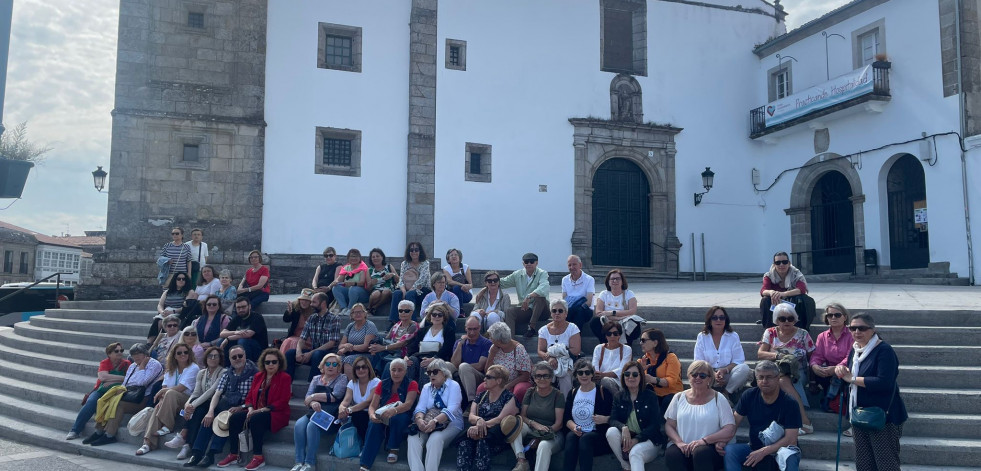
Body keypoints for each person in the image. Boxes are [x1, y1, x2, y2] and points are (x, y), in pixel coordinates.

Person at [835, 313, 908, 471]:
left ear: (872, 330)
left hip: (883, 417)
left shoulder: (884, 350)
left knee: (886, 464)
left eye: (861, 328)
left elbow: (884, 383)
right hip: (860, 415)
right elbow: (849, 378)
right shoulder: (855, 350)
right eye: (852, 328)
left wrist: (852, 379)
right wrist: (842, 371)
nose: (856, 332)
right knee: (864, 464)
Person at [181, 345, 258, 468]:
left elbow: (255, 397)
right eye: (234, 357)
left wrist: (241, 406)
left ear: (245, 356)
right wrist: (210, 411)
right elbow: (217, 394)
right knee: (207, 418)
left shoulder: (254, 373)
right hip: (226, 406)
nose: (237, 359)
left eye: (240, 356)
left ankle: (211, 454)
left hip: (244, 407)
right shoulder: (228, 373)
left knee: (224, 419)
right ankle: (197, 453)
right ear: (230, 359)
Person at [216, 348, 292, 471]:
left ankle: (258, 456)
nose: (271, 364)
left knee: (256, 419)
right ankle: (234, 454)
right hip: (255, 410)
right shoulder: (258, 376)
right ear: (263, 363)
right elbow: (250, 396)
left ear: (279, 363)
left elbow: (283, 401)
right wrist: (250, 408)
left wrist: (260, 410)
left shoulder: (285, 377)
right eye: (268, 362)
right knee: (235, 417)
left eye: (274, 362)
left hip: (275, 413)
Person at [723, 360, 801, 471]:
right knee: (730, 451)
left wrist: (764, 451)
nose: (764, 381)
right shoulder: (749, 395)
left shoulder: (790, 402)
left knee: (791, 460)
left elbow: (791, 439)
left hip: (783, 449)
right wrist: (722, 440)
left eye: (769, 377)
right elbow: (734, 423)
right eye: (761, 377)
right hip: (754, 447)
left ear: (778, 377)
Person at [663, 360, 737, 471]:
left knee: (700, 452)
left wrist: (704, 441)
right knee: (671, 454)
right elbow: (669, 425)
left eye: (702, 375)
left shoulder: (719, 398)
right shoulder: (679, 397)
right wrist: (679, 442)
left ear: (709, 379)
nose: (698, 378)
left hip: (709, 449)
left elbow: (729, 429)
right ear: (689, 376)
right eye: (694, 374)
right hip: (684, 447)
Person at [87, 343, 163, 447]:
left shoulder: (154, 364)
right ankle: (99, 431)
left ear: (145, 354)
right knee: (107, 401)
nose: (135, 356)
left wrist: (142, 367)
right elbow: (126, 382)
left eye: (138, 353)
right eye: (133, 354)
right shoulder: (132, 365)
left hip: (142, 399)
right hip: (129, 394)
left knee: (118, 406)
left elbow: (142, 382)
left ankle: (109, 435)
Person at [758, 303, 815, 434]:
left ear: (795, 319)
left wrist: (813, 381)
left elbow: (813, 358)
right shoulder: (770, 332)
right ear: (776, 320)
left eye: (790, 318)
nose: (787, 321)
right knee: (778, 380)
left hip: (799, 372)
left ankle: (804, 421)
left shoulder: (803, 334)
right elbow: (760, 354)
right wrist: (778, 355)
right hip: (777, 371)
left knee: (781, 381)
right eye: (782, 319)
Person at [137, 342, 200, 455]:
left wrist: (163, 392)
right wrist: (161, 399)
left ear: (189, 354)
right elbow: (164, 387)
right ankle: (147, 443)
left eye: (185, 352)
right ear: (174, 356)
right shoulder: (171, 369)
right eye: (179, 353)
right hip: (170, 400)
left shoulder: (193, 367)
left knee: (170, 393)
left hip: (186, 401)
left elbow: (181, 388)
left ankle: (169, 426)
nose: (183, 354)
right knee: (158, 406)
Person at [164, 346, 225, 460]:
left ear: (220, 358)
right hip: (202, 403)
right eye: (210, 356)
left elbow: (211, 392)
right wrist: (188, 403)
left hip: (215, 403)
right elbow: (196, 392)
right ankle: (187, 444)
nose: (213, 358)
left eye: (216, 356)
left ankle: (183, 437)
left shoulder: (222, 372)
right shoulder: (202, 373)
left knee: (197, 408)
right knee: (197, 408)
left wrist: (193, 405)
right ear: (206, 358)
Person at [457, 364, 521, 471]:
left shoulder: (509, 397)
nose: (484, 379)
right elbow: (471, 416)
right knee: (465, 443)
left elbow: (500, 419)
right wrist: (479, 420)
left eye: (488, 377)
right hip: (479, 429)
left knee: (483, 442)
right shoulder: (481, 396)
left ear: (499, 381)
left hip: (497, 433)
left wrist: (481, 426)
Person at [291, 353, 349, 471]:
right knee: (299, 424)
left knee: (312, 426)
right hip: (314, 412)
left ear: (339, 367)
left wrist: (314, 396)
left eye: (334, 364)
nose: (330, 366)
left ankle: (309, 462)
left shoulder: (342, 378)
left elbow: (335, 396)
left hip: (331, 415)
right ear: (323, 366)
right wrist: (312, 402)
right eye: (328, 363)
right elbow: (306, 400)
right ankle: (298, 461)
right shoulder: (316, 379)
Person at [361, 358, 420, 470]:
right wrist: (372, 415)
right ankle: (364, 465)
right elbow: (373, 406)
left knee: (398, 418)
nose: (396, 373)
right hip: (384, 415)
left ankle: (393, 448)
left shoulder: (412, 383)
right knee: (373, 424)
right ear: (389, 370)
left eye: (400, 370)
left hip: (402, 415)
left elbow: (408, 404)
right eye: (393, 370)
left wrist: (394, 410)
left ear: (405, 371)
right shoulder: (382, 383)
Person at [606, 360, 664, 471]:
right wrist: (623, 427)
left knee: (635, 452)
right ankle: (626, 466)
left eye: (635, 374)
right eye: (627, 374)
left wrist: (637, 439)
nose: (630, 377)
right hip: (628, 439)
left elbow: (655, 425)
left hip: (650, 440)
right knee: (611, 432)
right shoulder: (619, 396)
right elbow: (613, 419)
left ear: (641, 377)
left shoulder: (650, 396)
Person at [408, 359, 464, 471]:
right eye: (429, 372)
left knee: (435, 439)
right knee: (413, 437)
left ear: (444, 372)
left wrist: (435, 421)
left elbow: (452, 409)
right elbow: (420, 408)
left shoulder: (453, 385)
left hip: (451, 423)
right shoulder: (426, 387)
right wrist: (419, 420)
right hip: (428, 421)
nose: (431, 375)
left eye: (435, 372)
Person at [67, 342, 131, 440]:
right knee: (91, 402)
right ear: (109, 353)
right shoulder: (105, 362)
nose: (120, 353)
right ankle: (75, 430)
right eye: (116, 351)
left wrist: (110, 380)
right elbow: (102, 376)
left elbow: (129, 378)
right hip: (100, 390)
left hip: (116, 391)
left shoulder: (126, 363)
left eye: (121, 350)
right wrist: (121, 378)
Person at [511, 361, 565, 471]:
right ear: (534, 378)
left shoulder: (558, 395)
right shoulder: (530, 392)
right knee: (515, 426)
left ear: (551, 378)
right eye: (538, 376)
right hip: (532, 429)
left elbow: (558, 424)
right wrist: (534, 424)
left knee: (543, 446)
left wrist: (540, 436)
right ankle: (522, 461)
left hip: (552, 434)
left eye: (546, 375)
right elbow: (523, 416)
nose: (542, 379)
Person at [563, 358, 614, 471]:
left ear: (592, 374)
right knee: (570, 436)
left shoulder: (603, 392)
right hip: (579, 434)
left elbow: (615, 416)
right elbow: (566, 418)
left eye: (587, 372)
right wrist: (574, 427)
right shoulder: (573, 393)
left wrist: (605, 419)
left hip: (598, 435)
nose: (584, 375)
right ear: (576, 375)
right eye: (580, 372)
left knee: (586, 438)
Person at [694, 306, 753, 401]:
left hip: (728, 374)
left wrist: (724, 370)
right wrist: (713, 374)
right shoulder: (702, 337)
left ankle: (726, 393)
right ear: (709, 320)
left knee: (744, 368)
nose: (719, 320)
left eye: (722, 317)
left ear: (726, 320)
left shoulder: (733, 336)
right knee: (696, 371)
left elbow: (738, 360)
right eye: (715, 317)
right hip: (708, 373)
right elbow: (698, 361)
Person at [286, 292, 341, 382]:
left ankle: (311, 385)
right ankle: (287, 384)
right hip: (313, 352)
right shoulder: (311, 318)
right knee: (290, 353)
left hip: (328, 354)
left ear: (323, 303)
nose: (311, 305)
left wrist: (311, 353)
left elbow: (331, 343)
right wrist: (298, 352)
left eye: (314, 302)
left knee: (317, 354)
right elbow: (302, 338)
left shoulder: (334, 318)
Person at [810, 303, 854, 409]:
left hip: (847, 369)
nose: (833, 317)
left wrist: (836, 368)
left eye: (837, 315)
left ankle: (833, 401)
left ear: (845, 317)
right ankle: (831, 401)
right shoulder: (822, 336)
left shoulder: (852, 335)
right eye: (830, 315)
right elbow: (817, 355)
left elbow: (850, 356)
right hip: (828, 371)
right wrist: (815, 366)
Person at [500, 252, 550, 338]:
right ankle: (509, 341)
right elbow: (502, 282)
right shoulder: (517, 274)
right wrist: (488, 283)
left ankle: (531, 327)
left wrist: (529, 296)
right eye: (526, 262)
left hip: (542, 311)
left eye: (532, 261)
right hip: (527, 309)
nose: (529, 264)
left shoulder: (542, 273)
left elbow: (544, 287)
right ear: (523, 263)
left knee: (540, 298)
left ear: (536, 263)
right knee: (509, 311)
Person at [480, 322, 532, 403]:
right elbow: (487, 371)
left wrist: (508, 386)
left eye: (491, 337)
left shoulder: (519, 349)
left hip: (514, 382)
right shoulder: (494, 348)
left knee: (520, 390)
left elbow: (525, 376)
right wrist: (492, 354)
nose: (490, 339)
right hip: (496, 381)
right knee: (481, 388)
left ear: (499, 341)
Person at [405, 301, 456, 384]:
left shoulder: (448, 331)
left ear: (444, 317)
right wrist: (406, 356)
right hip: (420, 356)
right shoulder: (423, 330)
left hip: (438, 358)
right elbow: (413, 346)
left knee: (427, 364)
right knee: (411, 361)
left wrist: (434, 358)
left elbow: (448, 348)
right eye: (434, 314)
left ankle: (423, 390)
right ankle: (409, 389)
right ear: (430, 316)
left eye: (440, 315)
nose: (437, 317)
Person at [760, 251, 814, 328]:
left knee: (803, 299)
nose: (781, 265)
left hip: (792, 302)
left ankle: (800, 328)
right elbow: (763, 290)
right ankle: (769, 330)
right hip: (776, 302)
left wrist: (783, 294)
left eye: (784, 262)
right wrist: (772, 292)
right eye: (778, 263)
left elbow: (802, 289)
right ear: (774, 265)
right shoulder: (769, 275)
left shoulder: (796, 274)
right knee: (765, 300)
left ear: (789, 263)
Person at [538, 299, 580, 395]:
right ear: (551, 313)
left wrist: (558, 358)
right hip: (549, 361)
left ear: (566, 313)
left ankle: (565, 405)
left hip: (567, 362)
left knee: (564, 376)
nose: (557, 313)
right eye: (554, 311)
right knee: (543, 373)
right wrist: (550, 358)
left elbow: (576, 350)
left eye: (560, 311)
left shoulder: (573, 328)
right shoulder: (543, 330)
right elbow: (540, 351)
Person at [368, 299, 420, 375]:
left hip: (403, 353)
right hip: (391, 351)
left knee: (387, 363)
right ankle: (373, 375)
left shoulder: (413, 326)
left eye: (406, 311)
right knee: (377, 342)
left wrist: (383, 348)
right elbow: (387, 339)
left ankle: (376, 374)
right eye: (400, 311)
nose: (403, 313)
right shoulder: (397, 325)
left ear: (412, 312)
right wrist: (376, 347)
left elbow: (401, 344)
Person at [589, 269, 640, 345]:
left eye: (618, 278)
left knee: (634, 322)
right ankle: (605, 345)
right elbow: (599, 313)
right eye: (612, 279)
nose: (615, 281)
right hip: (608, 322)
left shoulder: (629, 293)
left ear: (622, 281)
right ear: (608, 282)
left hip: (624, 322)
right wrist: (617, 317)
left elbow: (632, 311)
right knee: (595, 321)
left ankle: (626, 347)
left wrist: (611, 313)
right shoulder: (603, 294)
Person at [637, 328, 682, 412]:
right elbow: (632, 380)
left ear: (655, 343)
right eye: (640, 340)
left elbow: (671, 381)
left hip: (671, 393)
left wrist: (652, 379)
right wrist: (640, 371)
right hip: (653, 394)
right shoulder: (642, 361)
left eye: (643, 340)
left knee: (667, 402)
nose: (640, 343)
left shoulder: (670, 357)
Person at [337, 356, 381, 442]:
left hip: (372, 413)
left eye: (364, 367)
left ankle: (364, 444)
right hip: (356, 411)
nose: (361, 370)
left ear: (369, 368)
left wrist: (349, 410)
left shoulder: (376, 382)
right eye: (357, 368)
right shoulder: (352, 383)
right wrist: (341, 408)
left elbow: (368, 402)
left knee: (359, 416)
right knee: (339, 414)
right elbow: (346, 400)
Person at [451, 315, 493, 402]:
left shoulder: (486, 343)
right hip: (462, 370)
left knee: (463, 367)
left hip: (478, 375)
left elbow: (480, 366)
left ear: (480, 328)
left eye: (475, 329)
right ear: (465, 328)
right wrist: (459, 345)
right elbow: (454, 364)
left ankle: (472, 401)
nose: (472, 332)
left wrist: (463, 368)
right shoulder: (459, 342)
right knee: (445, 365)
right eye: (469, 329)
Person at [389, 241, 432, 323]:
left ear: (420, 251)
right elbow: (401, 279)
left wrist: (410, 290)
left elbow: (422, 280)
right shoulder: (404, 263)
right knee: (397, 293)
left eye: (416, 250)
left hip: (422, 290)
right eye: (411, 250)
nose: (414, 252)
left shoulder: (425, 263)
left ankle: (412, 322)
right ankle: (394, 322)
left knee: (410, 294)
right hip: (407, 289)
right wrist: (403, 290)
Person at [219, 296, 269, 363]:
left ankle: (248, 366)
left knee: (242, 341)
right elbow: (222, 334)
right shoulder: (237, 318)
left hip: (258, 349)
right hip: (242, 346)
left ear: (249, 306)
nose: (241, 310)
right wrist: (236, 332)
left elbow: (248, 334)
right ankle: (226, 366)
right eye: (238, 308)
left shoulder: (257, 317)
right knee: (220, 341)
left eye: (243, 307)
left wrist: (228, 338)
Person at [150, 274, 195, 342]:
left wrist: (173, 311)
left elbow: (186, 307)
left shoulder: (189, 292)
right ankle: (149, 342)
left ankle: (164, 340)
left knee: (163, 322)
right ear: (175, 280)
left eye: (183, 279)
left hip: (179, 313)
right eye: (179, 279)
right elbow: (160, 304)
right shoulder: (167, 292)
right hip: (166, 312)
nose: (181, 280)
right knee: (157, 321)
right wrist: (162, 312)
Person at [338, 303, 378, 379]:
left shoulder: (369, 325)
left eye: (360, 312)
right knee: (336, 360)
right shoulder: (350, 326)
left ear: (365, 313)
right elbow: (340, 346)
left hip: (367, 355)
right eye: (355, 312)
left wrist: (350, 347)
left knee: (348, 360)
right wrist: (346, 346)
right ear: (351, 315)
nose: (358, 314)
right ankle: (337, 387)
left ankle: (351, 387)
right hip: (351, 353)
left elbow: (366, 347)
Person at [592, 321, 632, 393]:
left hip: (618, 382)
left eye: (615, 333)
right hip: (599, 379)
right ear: (605, 336)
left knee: (606, 381)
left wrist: (604, 375)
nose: (612, 336)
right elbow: (595, 366)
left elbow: (623, 369)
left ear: (619, 335)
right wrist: (598, 375)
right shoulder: (599, 348)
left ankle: (617, 402)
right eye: (609, 334)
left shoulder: (627, 349)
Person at [332, 248, 370, 315]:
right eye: (352, 256)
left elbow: (362, 282)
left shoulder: (363, 268)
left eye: (356, 256)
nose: (354, 258)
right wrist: (336, 282)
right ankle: (343, 308)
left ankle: (350, 309)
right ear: (348, 258)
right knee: (336, 288)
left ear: (360, 258)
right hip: (349, 292)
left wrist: (352, 283)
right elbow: (339, 279)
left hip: (361, 293)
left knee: (353, 288)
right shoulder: (346, 268)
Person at [562, 255, 595, 327]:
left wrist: (574, 308)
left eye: (574, 264)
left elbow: (589, 302)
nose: (572, 267)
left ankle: (576, 336)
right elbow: (564, 299)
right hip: (570, 309)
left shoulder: (589, 279)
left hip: (585, 309)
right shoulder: (565, 279)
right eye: (569, 265)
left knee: (579, 311)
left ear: (580, 265)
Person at [279, 288, 315, 353]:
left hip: (309, 338)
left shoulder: (315, 313)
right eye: (302, 300)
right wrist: (289, 312)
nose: (304, 302)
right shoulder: (296, 310)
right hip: (296, 335)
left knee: (293, 343)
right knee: (288, 341)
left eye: (307, 301)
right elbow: (286, 319)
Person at [366, 247, 399, 315]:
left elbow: (398, 280)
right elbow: (368, 288)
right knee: (376, 294)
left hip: (389, 289)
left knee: (385, 292)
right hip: (376, 289)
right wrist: (371, 283)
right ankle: (369, 307)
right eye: (373, 257)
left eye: (377, 256)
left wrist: (392, 275)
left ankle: (374, 307)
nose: (375, 258)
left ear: (382, 257)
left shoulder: (389, 266)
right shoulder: (369, 270)